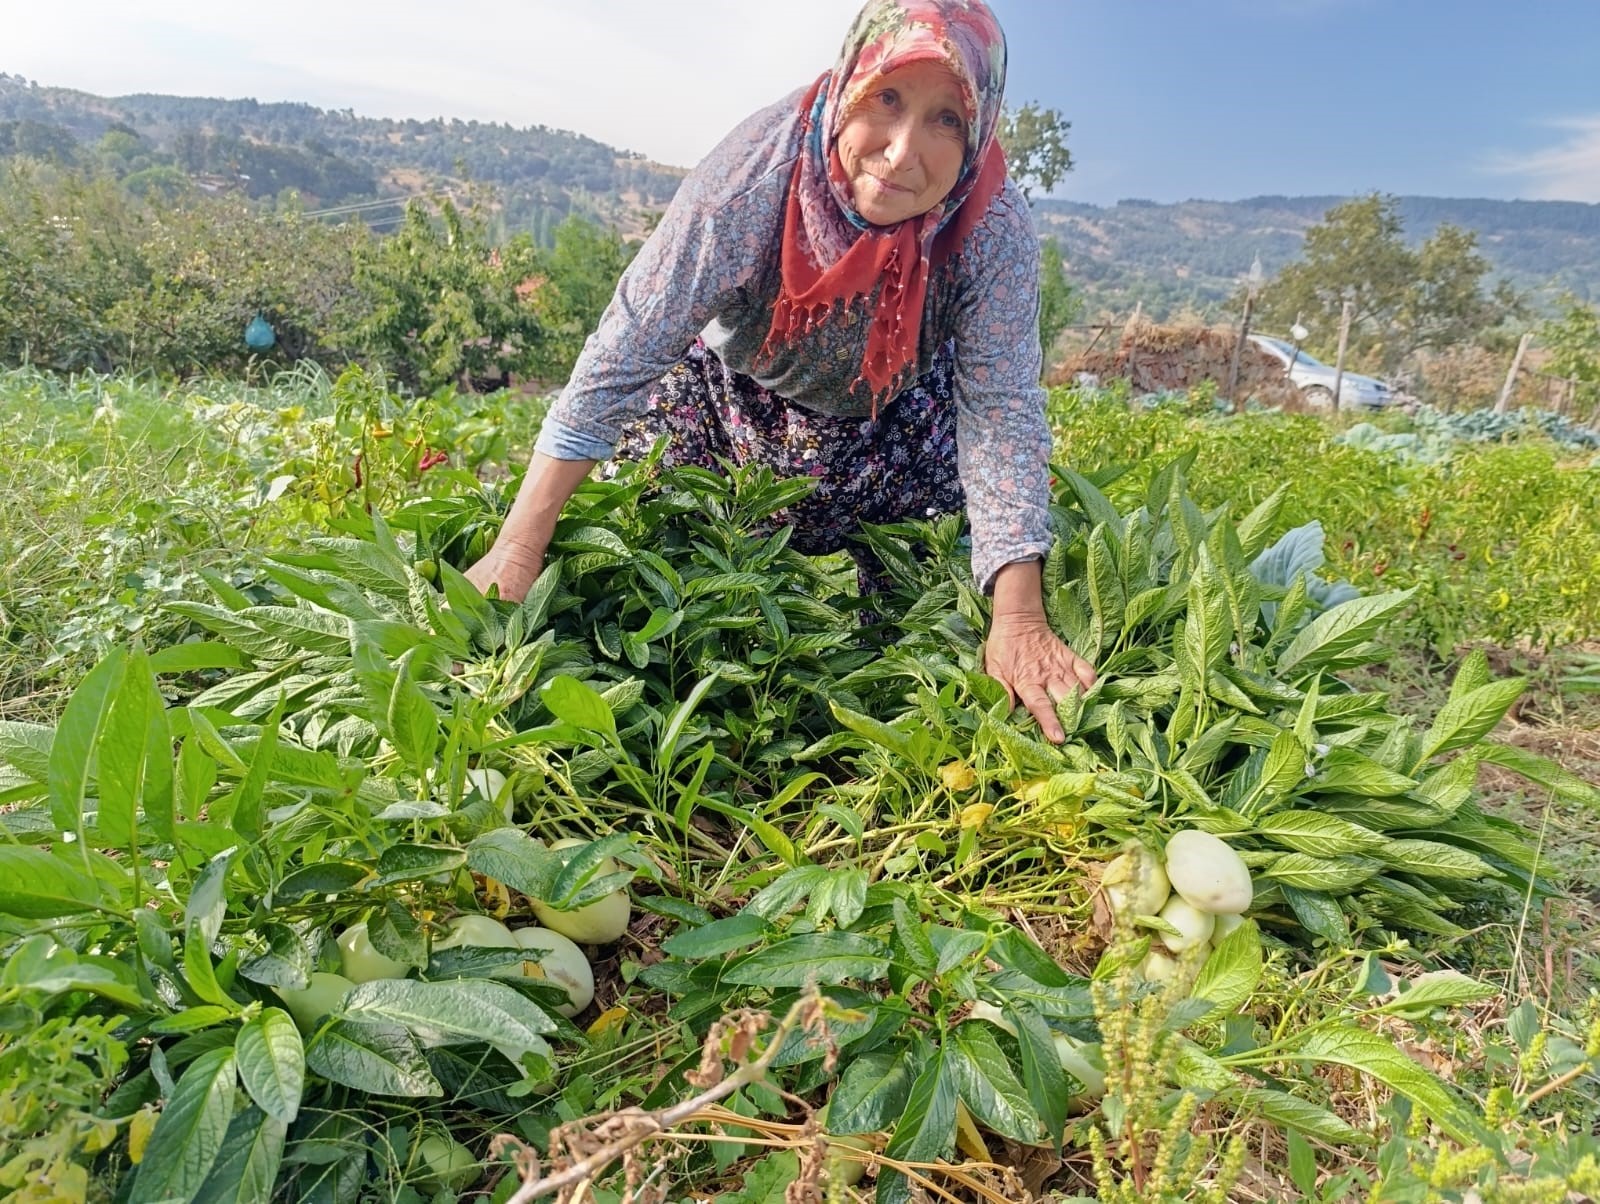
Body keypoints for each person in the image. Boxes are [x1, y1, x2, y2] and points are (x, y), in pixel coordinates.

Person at [465, 0, 1095, 741]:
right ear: (850, 81)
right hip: (732, 408)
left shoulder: (990, 226)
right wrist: (519, 545)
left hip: (891, 424)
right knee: (653, 548)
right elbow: (631, 343)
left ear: (980, 126)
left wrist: (1018, 615)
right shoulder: (753, 177)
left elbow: (999, 408)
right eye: (887, 99)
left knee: (919, 610)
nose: (901, 152)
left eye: (945, 120)